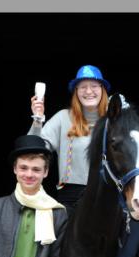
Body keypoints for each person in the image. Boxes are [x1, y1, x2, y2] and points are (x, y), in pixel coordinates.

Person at [29, 65, 110, 214]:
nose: (89, 91)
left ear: (103, 89)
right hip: (71, 199)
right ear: (76, 92)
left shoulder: (114, 120)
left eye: (94, 86)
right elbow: (32, 150)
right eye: (82, 87)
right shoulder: (63, 117)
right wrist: (38, 119)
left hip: (107, 196)